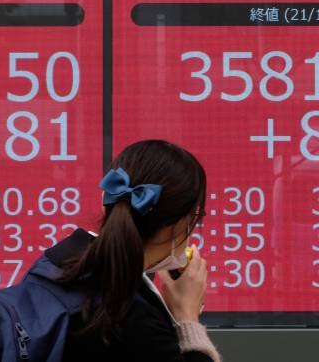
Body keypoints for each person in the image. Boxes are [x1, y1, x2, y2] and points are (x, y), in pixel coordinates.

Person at [48, 139, 222, 362]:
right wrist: (187, 318)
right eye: (195, 218)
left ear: (105, 201)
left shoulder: (53, 264)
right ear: (178, 224)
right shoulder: (137, 321)